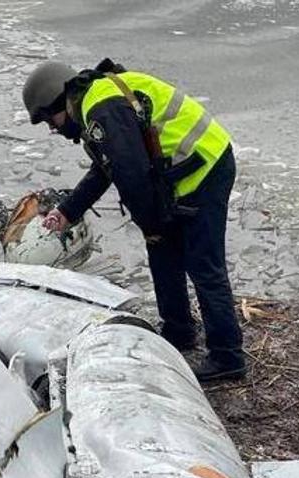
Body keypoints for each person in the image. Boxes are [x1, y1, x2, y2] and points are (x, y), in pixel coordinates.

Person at [22, 59, 248, 382]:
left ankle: (228, 357)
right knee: (162, 251)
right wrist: (68, 210)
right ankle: (179, 332)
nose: (53, 129)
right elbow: (106, 167)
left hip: (205, 168)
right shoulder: (93, 102)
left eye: (49, 120)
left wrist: (152, 223)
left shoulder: (102, 110)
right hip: (185, 170)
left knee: (202, 263)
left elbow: (133, 176)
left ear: (57, 100)